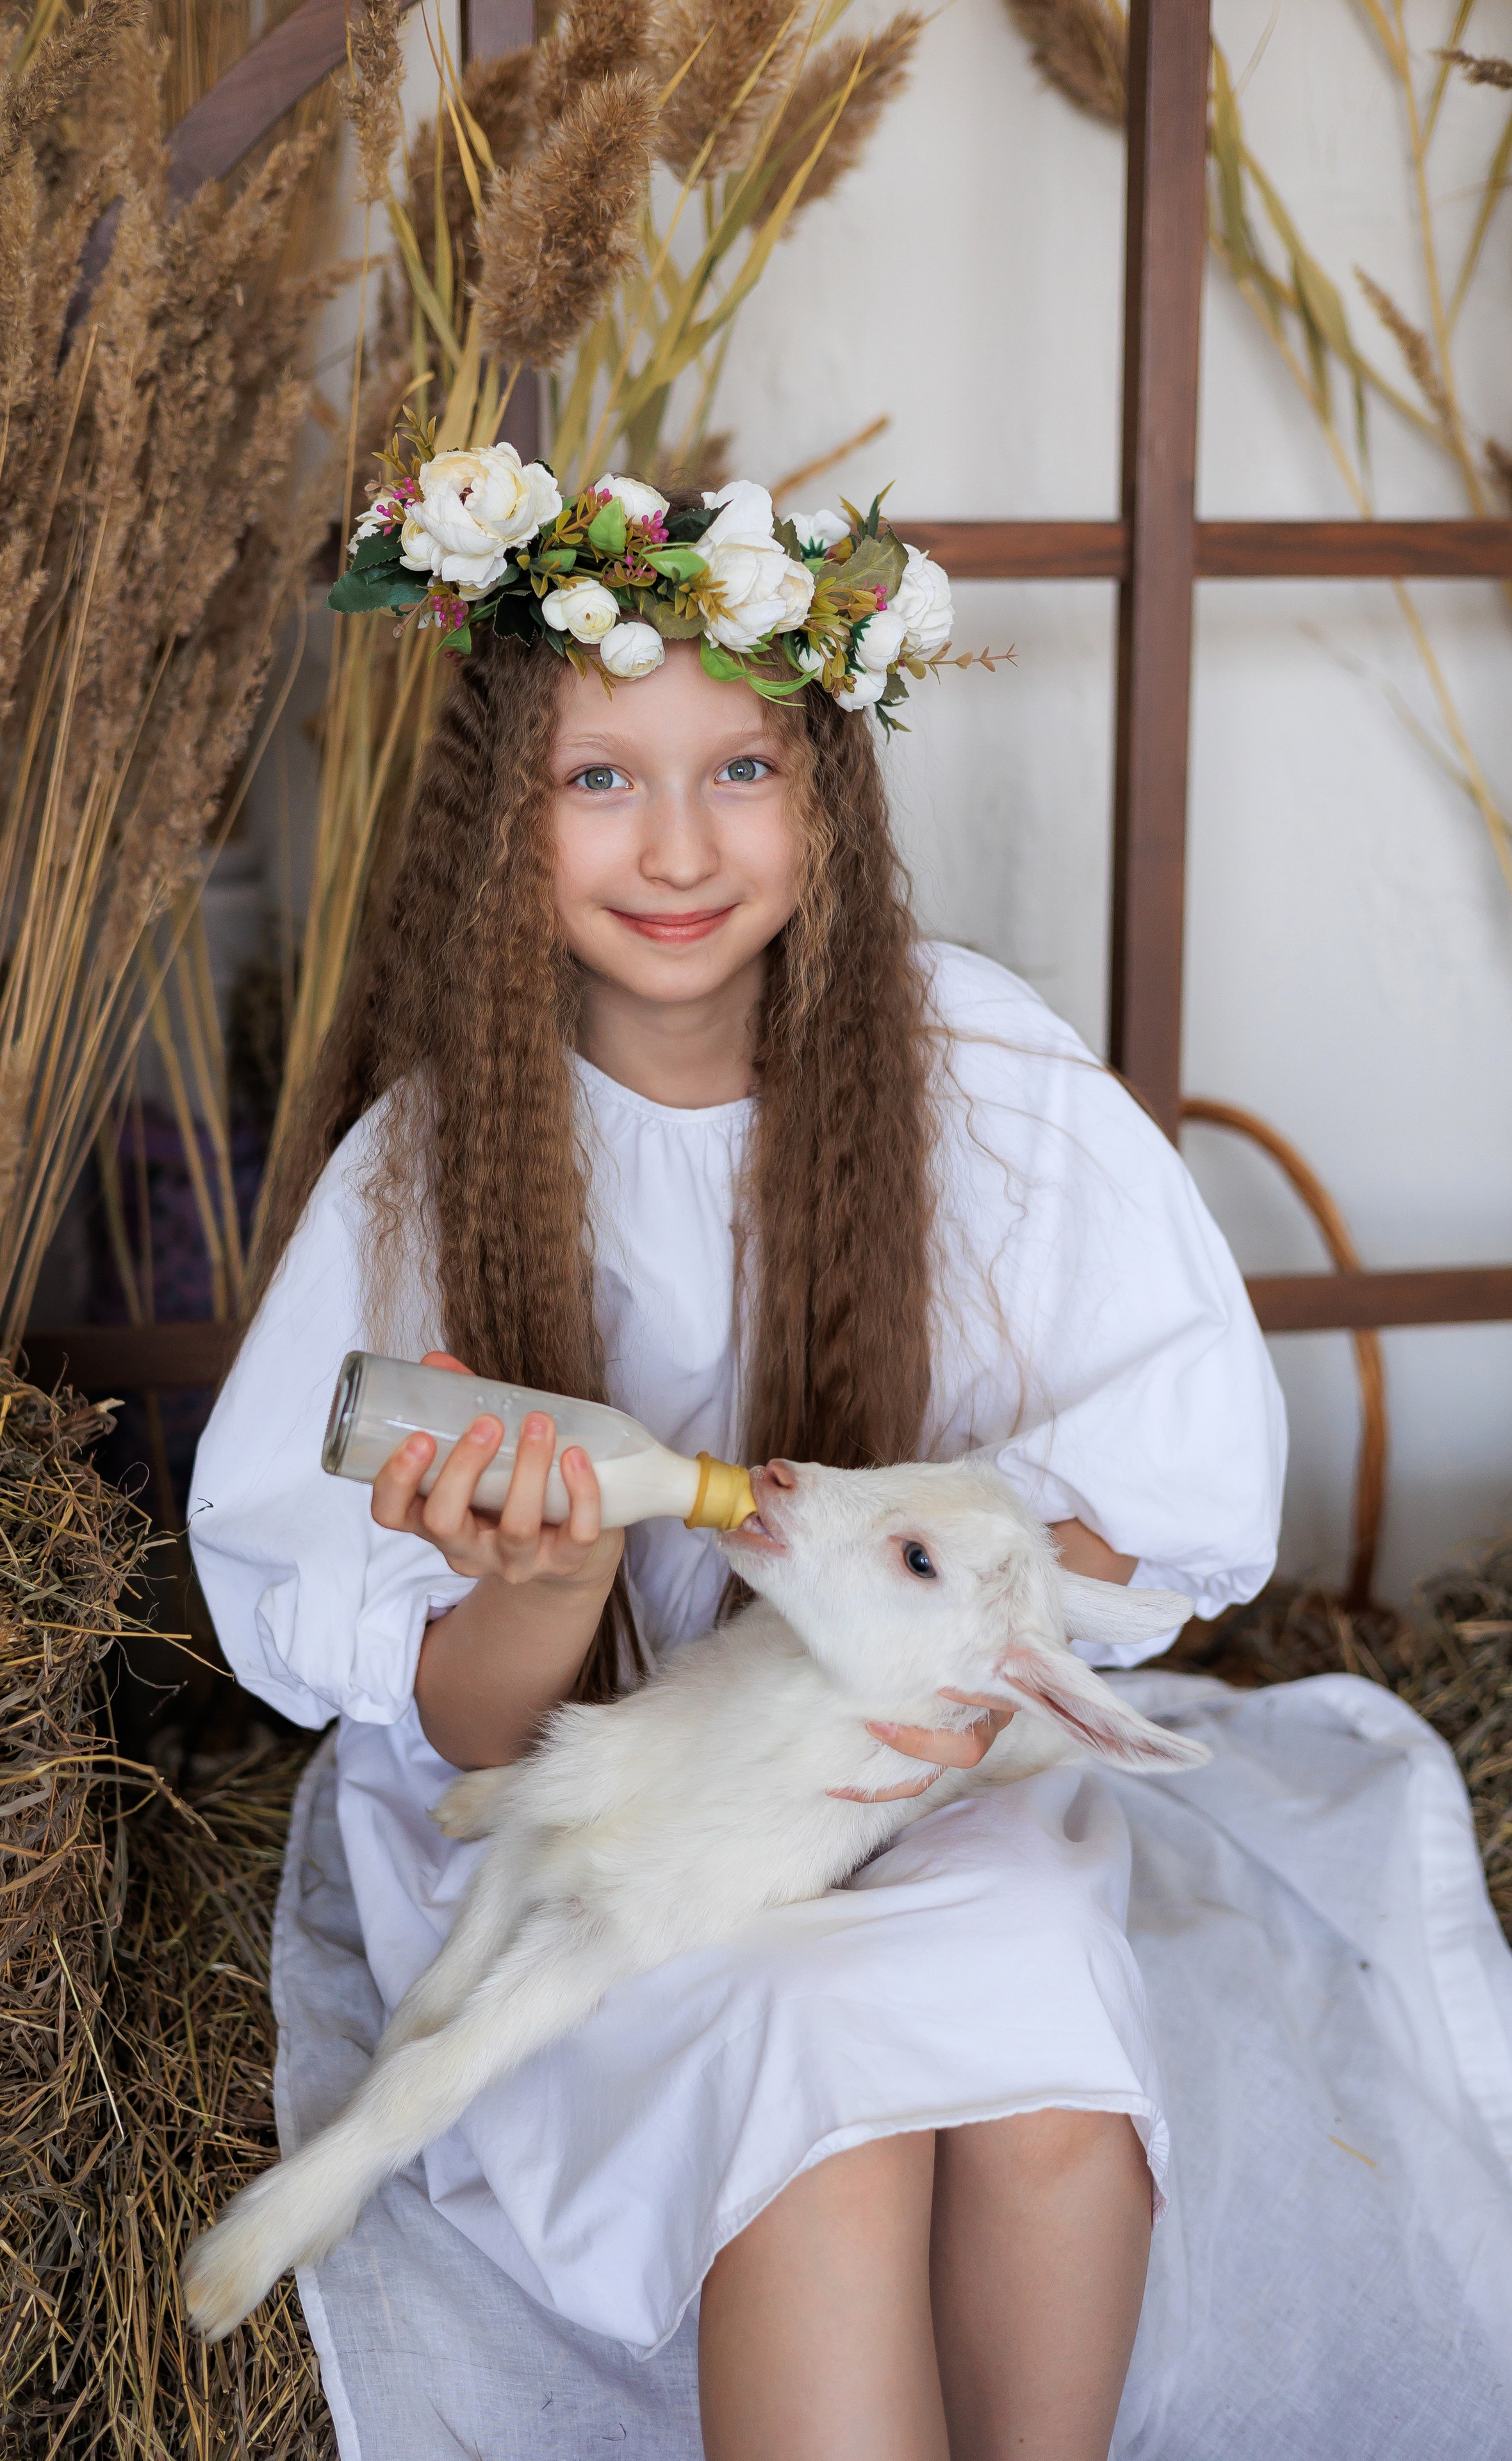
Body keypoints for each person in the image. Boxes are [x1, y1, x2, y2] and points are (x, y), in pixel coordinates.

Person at [190, 460, 1284, 2460]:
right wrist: (540, 1584)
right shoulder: (426, 1175)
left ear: (829, 797)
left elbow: (1158, 1521)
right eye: (600, 778)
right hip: (618, 1842)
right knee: (822, 2107)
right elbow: (459, 1738)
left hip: (915, 1785)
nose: (676, 846)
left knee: (1043, 2038)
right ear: (498, 820)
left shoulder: (991, 1087)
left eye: (743, 771)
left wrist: (958, 1677)